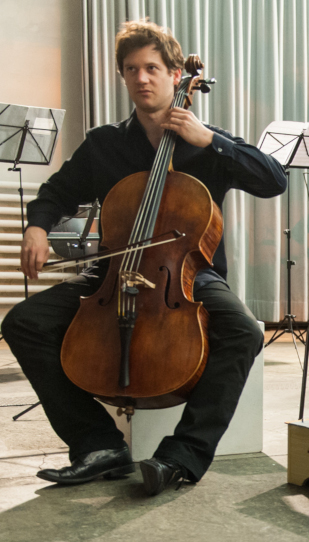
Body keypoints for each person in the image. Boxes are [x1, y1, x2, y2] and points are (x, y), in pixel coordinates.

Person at [1, 19, 285, 496]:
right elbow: (55, 193)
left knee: (242, 332)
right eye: (131, 69)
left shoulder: (205, 138)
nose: (141, 78)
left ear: (177, 75)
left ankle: (183, 455)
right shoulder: (105, 144)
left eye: (152, 67)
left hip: (189, 275)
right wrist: (36, 227)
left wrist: (210, 140)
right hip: (111, 273)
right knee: (22, 323)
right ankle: (98, 445)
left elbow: (273, 178)